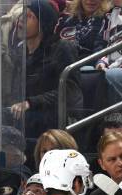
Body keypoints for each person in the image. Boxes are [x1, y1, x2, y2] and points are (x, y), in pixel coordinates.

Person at [9, 0, 83, 141]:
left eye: (30, 16)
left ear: (43, 24)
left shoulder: (62, 48)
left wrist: (31, 102)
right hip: (25, 119)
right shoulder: (20, 52)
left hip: (52, 121)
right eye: (22, 15)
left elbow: (70, 91)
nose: (21, 21)